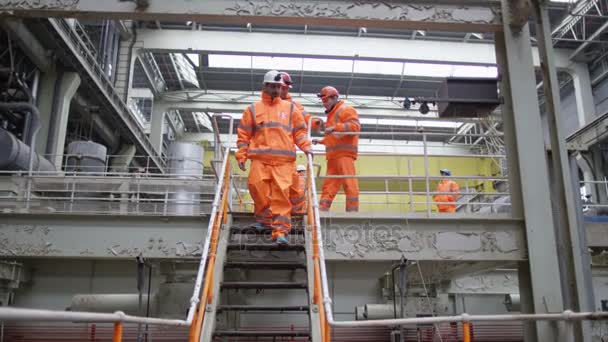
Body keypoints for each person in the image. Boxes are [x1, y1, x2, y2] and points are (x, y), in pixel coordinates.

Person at [236, 70, 313, 245]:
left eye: (279, 87)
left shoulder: (291, 108)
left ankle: (280, 232)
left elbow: (300, 132)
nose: (277, 90)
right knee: (256, 188)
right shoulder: (253, 109)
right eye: (273, 86)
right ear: (265, 86)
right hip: (260, 159)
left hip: (283, 162)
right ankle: (264, 221)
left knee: (281, 197)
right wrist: (241, 155)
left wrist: (307, 147)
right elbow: (244, 135)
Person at [312, 86, 360, 212]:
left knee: (349, 184)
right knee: (328, 186)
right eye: (322, 101)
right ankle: (321, 212)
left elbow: (355, 126)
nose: (324, 103)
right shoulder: (331, 115)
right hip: (333, 156)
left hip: (344, 155)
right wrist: (321, 141)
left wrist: (335, 127)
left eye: (326, 100)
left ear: (334, 98)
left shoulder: (346, 109)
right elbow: (334, 138)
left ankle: (352, 213)